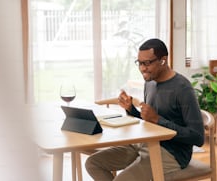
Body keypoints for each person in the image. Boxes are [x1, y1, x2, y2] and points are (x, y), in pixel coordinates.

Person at [85, 38, 205, 181]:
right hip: (145, 143)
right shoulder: (150, 83)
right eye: (140, 63)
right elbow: (148, 122)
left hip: (172, 153)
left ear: (163, 60)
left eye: (147, 63)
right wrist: (131, 109)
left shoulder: (182, 88)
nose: (142, 68)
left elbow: (198, 137)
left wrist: (158, 120)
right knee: (93, 163)